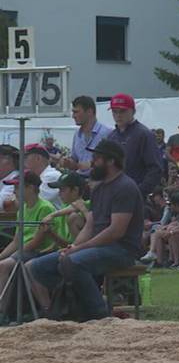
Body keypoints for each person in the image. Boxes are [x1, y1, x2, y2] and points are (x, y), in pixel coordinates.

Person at [29, 140, 144, 320]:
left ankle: (100, 314)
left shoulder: (125, 187)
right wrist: (73, 246)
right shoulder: (100, 189)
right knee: (37, 267)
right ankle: (75, 308)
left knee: (73, 262)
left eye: (97, 158)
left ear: (111, 161)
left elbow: (116, 231)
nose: (92, 162)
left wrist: (80, 249)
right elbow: (91, 225)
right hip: (99, 247)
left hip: (121, 249)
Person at [0, 172, 56, 302]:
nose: (14, 191)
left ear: (30, 188)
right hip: (24, 250)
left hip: (40, 251)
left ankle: (2, 311)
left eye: (17, 187)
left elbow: (37, 242)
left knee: (3, 266)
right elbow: (15, 241)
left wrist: (13, 255)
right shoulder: (22, 209)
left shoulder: (45, 207)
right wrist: (2, 255)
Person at [106, 93, 163, 197]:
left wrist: (139, 192)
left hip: (136, 197)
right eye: (114, 111)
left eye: (122, 111)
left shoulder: (144, 134)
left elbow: (156, 169)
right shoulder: (111, 137)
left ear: (133, 111)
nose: (118, 115)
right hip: (114, 195)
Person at [63, 95, 113, 176]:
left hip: (101, 182)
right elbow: (75, 160)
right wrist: (68, 163)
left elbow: (113, 162)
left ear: (89, 112)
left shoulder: (107, 133)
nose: (73, 116)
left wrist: (91, 165)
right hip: (81, 182)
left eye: (76, 112)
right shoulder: (77, 135)